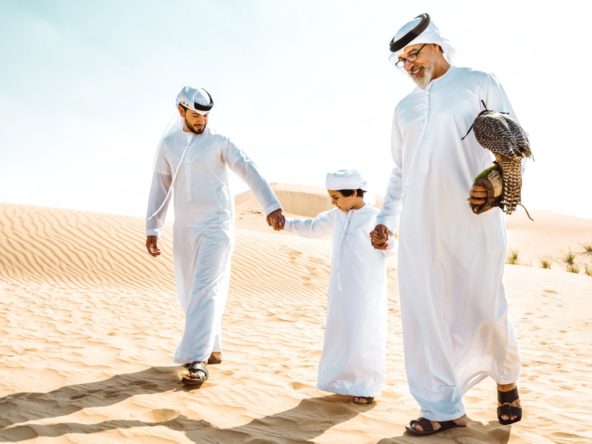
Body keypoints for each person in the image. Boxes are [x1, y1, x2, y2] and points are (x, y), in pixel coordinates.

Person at [370, 13, 523, 436]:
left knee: (486, 305)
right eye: (402, 60)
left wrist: (498, 179)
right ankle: (440, 406)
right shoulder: (404, 109)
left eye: (414, 53)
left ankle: (506, 378)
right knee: (425, 314)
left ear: (436, 45)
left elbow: (514, 143)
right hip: (420, 228)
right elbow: (401, 171)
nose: (409, 65)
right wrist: (386, 218)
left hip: (473, 222)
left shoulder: (478, 83)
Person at [145, 86, 285, 387]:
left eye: (206, 116)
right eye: (196, 115)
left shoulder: (220, 142)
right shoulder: (168, 145)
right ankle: (214, 346)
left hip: (217, 226)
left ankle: (196, 359)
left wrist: (270, 205)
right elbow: (160, 187)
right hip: (184, 228)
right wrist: (152, 228)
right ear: (181, 110)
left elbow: (249, 168)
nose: (202, 122)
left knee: (205, 288)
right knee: (189, 290)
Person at [282, 170, 390, 405]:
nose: (333, 202)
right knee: (341, 334)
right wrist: (285, 225)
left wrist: (386, 244)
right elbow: (312, 227)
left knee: (364, 334)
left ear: (352, 193)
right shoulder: (337, 216)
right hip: (340, 290)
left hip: (366, 289)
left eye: (336, 197)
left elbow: (395, 243)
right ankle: (340, 382)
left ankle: (366, 387)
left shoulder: (376, 217)